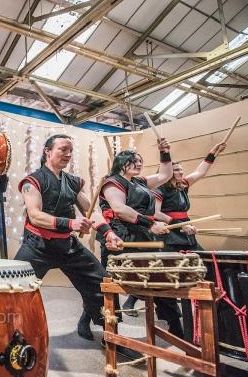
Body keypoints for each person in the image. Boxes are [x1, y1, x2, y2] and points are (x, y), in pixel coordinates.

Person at [16, 134, 124, 343]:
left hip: (68, 246)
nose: (67, 154)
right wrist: (70, 223)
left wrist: (109, 233)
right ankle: (13, 336)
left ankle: (111, 336)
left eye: (70, 151)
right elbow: (35, 215)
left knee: (103, 283)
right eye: (62, 149)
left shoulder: (72, 182)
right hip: (38, 246)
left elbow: (90, 211)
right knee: (14, 288)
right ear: (48, 151)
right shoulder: (33, 181)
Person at [81, 139, 186, 338]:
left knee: (158, 279)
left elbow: (166, 174)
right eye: (134, 160)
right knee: (111, 286)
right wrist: (151, 223)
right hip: (120, 240)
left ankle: (175, 325)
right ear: (122, 163)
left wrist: (165, 152)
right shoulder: (112, 182)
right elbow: (120, 210)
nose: (139, 164)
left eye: (140, 161)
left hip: (143, 238)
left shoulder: (140, 182)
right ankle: (102, 327)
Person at [121, 142, 227, 313]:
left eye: (181, 170)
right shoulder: (159, 188)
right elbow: (155, 213)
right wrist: (178, 226)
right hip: (169, 235)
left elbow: (200, 172)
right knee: (163, 271)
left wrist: (213, 152)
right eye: (177, 170)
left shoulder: (182, 185)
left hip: (186, 232)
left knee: (203, 262)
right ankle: (136, 300)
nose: (181, 172)